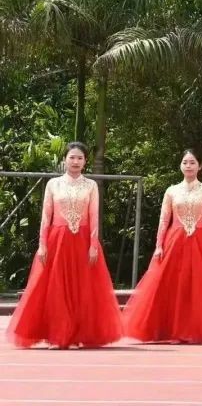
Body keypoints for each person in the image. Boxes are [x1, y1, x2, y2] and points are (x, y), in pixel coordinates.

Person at [6, 142, 123, 349]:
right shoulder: (53, 184)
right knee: (56, 288)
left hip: (83, 241)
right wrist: (42, 245)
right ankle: (56, 335)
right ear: (64, 160)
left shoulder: (91, 185)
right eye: (72, 157)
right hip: (57, 240)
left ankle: (77, 335)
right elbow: (46, 216)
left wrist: (93, 245)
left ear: (85, 161)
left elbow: (94, 216)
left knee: (81, 288)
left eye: (80, 158)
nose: (75, 161)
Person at [123, 148, 202, 343]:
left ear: (200, 166)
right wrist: (159, 245)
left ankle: (195, 329)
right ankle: (169, 329)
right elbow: (163, 219)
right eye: (185, 162)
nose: (188, 166)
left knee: (198, 287)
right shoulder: (172, 191)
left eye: (192, 162)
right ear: (180, 165)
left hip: (200, 241)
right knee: (171, 284)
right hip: (174, 240)